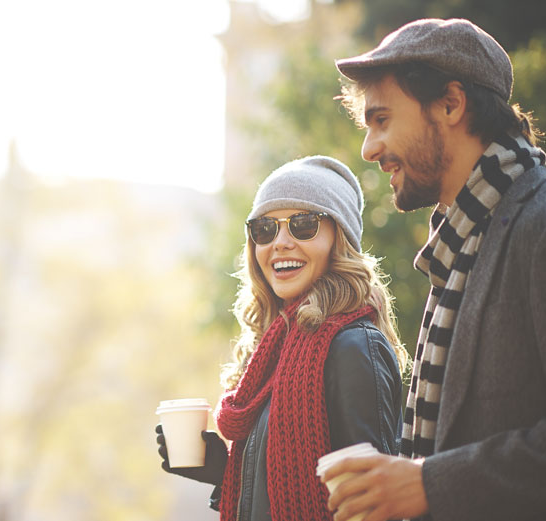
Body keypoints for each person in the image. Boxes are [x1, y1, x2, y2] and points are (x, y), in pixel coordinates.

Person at [322, 18, 546, 521]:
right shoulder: (460, 239)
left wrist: (428, 483)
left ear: (450, 104)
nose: (369, 148)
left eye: (381, 120)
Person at [155, 156, 410, 521]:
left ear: (339, 239)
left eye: (303, 225)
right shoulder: (273, 352)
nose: (281, 242)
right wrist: (224, 473)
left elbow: (371, 508)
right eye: (265, 229)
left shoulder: (352, 347)